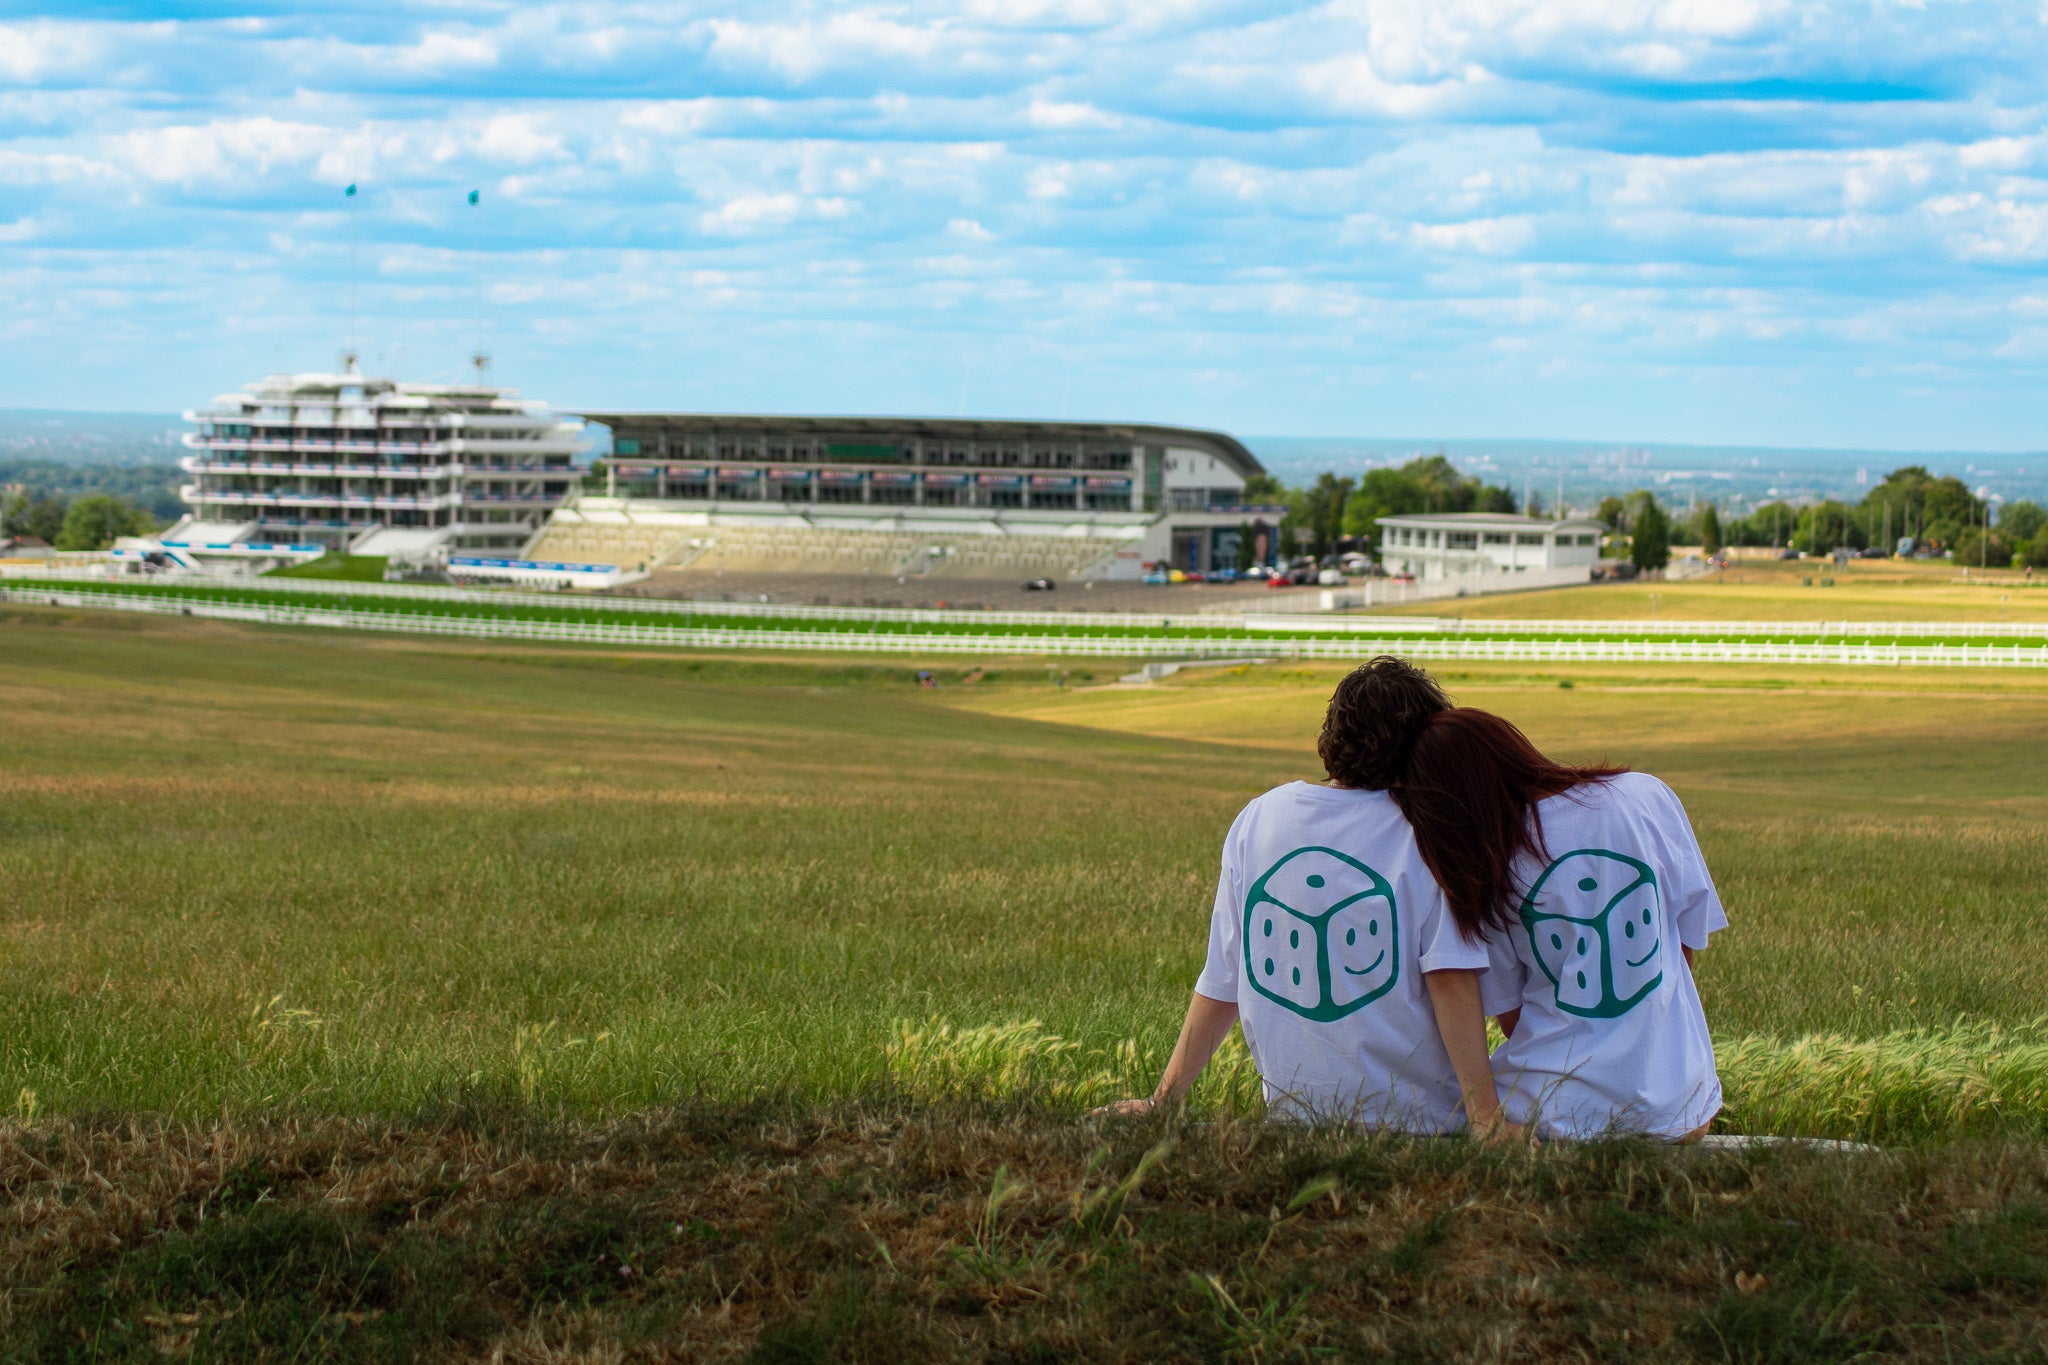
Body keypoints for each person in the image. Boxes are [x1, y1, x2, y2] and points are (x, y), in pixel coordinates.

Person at [1104, 658, 1515, 1135]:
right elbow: (1449, 978)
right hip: (1420, 1123)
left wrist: (1164, 1100)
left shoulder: (1260, 817)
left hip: (1295, 1120)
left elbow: (1224, 976)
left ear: (1332, 731)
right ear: (1424, 744)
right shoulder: (1426, 831)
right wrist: (1485, 1117)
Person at [1392, 707, 1725, 1141]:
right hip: (1685, 1107)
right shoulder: (1647, 795)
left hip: (1558, 1115)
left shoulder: (1490, 863)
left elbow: (1511, 1017)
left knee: (1429, 1107)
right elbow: (1683, 946)